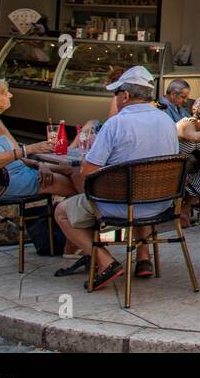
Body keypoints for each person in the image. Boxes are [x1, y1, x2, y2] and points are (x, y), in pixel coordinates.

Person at [53, 66, 179, 287]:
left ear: (125, 95)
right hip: (161, 204)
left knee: (62, 212)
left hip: (121, 206)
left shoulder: (116, 124)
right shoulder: (167, 121)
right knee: (137, 189)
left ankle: (105, 261)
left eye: (116, 94)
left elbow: (87, 171)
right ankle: (143, 257)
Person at [0, 77, 76, 202]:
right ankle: (66, 215)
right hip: (0, 184)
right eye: (5, 93)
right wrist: (30, 149)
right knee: (73, 185)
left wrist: (38, 164)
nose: (10, 95)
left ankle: (61, 213)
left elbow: (17, 154)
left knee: (70, 169)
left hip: (14, 173)